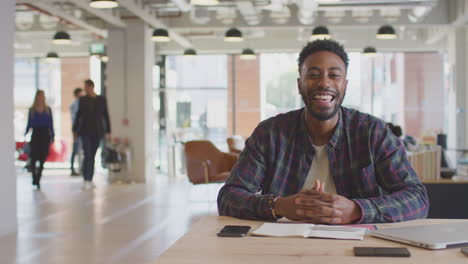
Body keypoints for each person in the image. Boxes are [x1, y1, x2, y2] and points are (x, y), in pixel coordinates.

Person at [217, 39, 429, 224]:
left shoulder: (373, 132)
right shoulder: (270, 133)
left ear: (344, 85)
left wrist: (357, 210)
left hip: (358, 248)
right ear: (300, 85)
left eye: (334, 75)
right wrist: (279, 206)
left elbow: (417, 199)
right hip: (284, 248)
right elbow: (229, 196)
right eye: (313, 75)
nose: (324, 83)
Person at [73, 79, 111, 190]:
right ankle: (86, 179)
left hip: (97, 132)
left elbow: (106, 116)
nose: (85, 89)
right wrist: (74, 130)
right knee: (87, 155)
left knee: (93, 155)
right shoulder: (83, 100)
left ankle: (90, 178)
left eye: (86, 87)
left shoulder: (101, 100)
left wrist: (108, 131)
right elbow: (78, 116)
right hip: (85, 131)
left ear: (91, 87)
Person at [25, 90, 54, 190]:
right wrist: (25, 134)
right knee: (33, 158)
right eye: (39, 96)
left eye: (42, 96)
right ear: (36, 97)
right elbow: (29, 123)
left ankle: (38, 178)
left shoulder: (48, 109)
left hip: (45, 135)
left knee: (42, 158)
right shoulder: (32, 110)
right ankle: (34, 177)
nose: (41, 97)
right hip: (36, 134)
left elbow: (51, 124)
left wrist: (52, 136)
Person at [70, 87, 83, 176]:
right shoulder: (75, 104)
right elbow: (74, 119)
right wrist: (75, 131)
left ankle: (80, 169)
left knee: (80, 151)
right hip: (77, 130)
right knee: (76, 150)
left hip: (82, 130)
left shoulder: (81, 103)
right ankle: (73, 169)